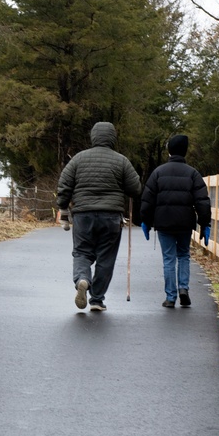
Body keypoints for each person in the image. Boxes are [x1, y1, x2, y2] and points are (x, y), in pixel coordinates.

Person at [57, 121, 142, 312]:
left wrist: (63, 207)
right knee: (106, 257)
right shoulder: (121, 160)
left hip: (83, 214)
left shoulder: (78, 159)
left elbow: (64, 185)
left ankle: (83, 279)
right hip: (111, 216)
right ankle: (96, 299)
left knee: (82, 252)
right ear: (113, 138)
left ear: (93, 137)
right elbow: (135, 189)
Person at [139, 134, 212, 308]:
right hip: (185, 223)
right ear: (185, 151)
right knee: (184, 255)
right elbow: (202, 201)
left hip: (164, 222)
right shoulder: (193, 174)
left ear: (169, 151)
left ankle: (170, 297)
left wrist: (146, 221)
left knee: (169, 259)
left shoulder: (158, 172)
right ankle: (184, 289)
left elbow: (148, 199)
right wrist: (205, 223)